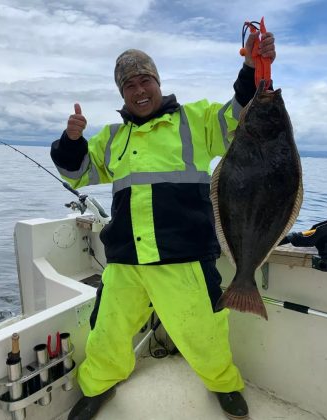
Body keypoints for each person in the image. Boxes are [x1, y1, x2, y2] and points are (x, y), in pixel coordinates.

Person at [51, 29, 276, 420]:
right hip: (126, 260)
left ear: (158, 82)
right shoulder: (111, 137)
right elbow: (77, 173)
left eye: (145, 80)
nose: (139, 90)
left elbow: (240, 111)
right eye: (129, 85)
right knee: (107, 333)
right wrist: (71, 140)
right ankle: (98, 386)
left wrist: (251, 66)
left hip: (184, 256)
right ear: (122, 93)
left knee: (204, 332)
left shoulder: (195, 121)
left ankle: (224, 384)